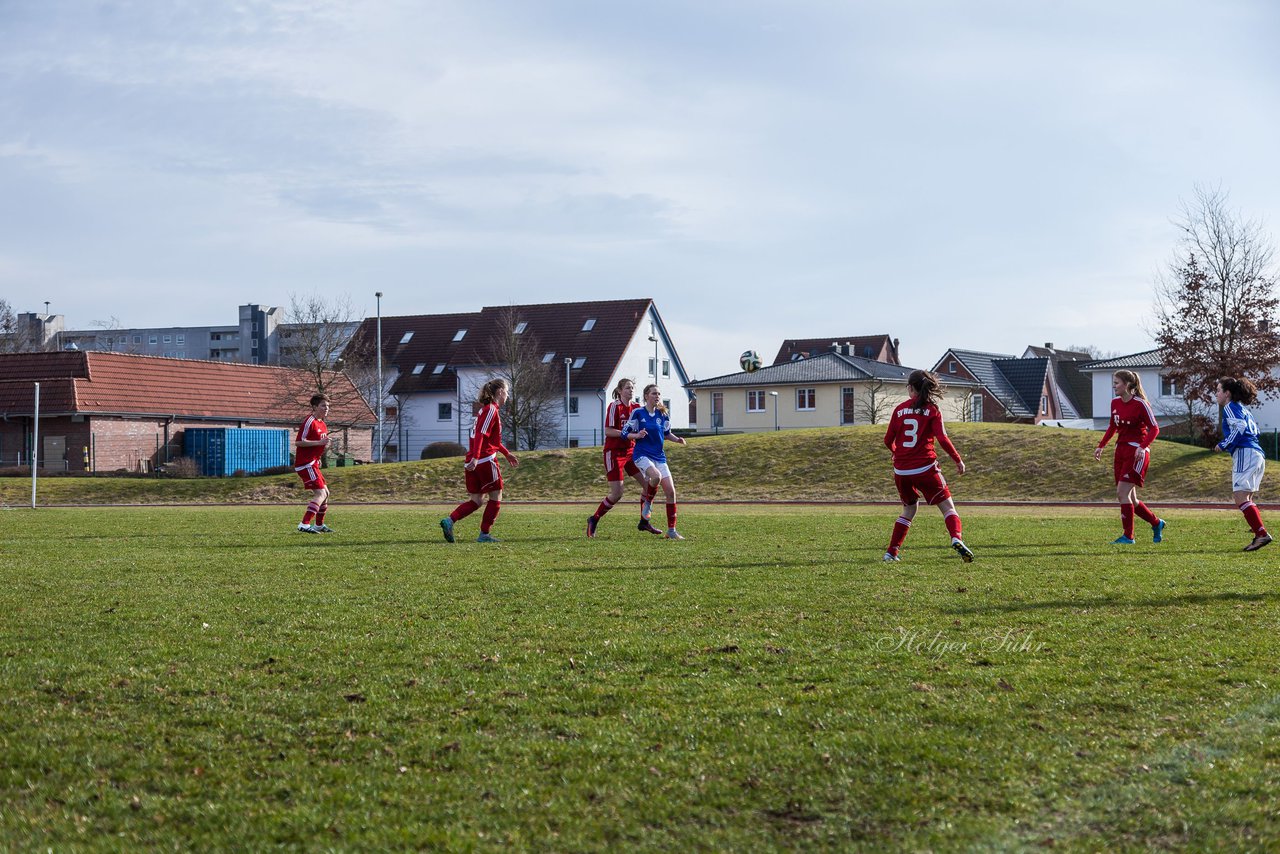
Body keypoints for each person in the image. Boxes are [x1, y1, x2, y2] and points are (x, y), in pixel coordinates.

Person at [881, 370, 973, 562]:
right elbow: (942, 439)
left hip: (901, 470)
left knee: (909, 509)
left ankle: (891, 552)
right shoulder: (932, 410)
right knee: (948, 507)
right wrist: (958, 459)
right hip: (925, 468)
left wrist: (896, 452)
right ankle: (956, 538)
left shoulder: (899, 409)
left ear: (911, 388)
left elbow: (888, 440)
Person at [440, 378, 520, 543]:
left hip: (474, 460)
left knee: (476, 500)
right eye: (506, 391)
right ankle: (484, 535)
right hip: (484, 460)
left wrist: (506, 454)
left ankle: (450, 520)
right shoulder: (491, 410)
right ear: (499, 392)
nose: (507, 395)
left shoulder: (484, 411)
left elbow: (493, 441)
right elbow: (481, 436)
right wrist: (477, 458)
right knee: (496, 495)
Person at [1094, 369, 1165, 544]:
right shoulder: (1115, 403)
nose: (1114, 386)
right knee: (1130, 499)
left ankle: (1128, 536)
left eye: (1117, 383)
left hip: (1136, 454)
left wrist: (1142, 447)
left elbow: (1155, 428)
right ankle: (1157, 523)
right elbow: (1112, 427)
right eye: (1113, 383)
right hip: (1121, 451)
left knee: (1121, 493)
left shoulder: (1140, 404)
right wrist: (1101, 446)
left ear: (1127, 385)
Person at [587, 378, 658, 537]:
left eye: (632, 388)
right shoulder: (614, 406)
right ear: (620, 391)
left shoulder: (636, 408)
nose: (631, 390)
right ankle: (594, 519)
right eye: (627, 388)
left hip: (632, 452)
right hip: (614, 452)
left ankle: (644, 521)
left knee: (648, 486)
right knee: (617, 493)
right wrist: (630, 435)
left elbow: (645, 426)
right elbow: (608, 431)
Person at [621, 384, 688, 539]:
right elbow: (625, 433)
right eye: (653, 393)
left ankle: (671, 531)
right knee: (655, 476)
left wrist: (677, 439)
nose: (657, 396)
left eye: (658, 393)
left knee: (671, 492)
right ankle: (648, 504)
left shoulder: (662, 414)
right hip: (642, 455)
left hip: (659, 456)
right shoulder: (638, 413)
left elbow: (666, 433)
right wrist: (637, 436)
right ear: (646, 396)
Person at [1213, 376, 1271, 551]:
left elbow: (1239, 428)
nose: (1216, 394)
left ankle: (1261, 535)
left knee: (1240, 497)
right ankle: (1258, 533)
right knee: (1247, 498)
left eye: (1218, 390)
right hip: (1256, 452)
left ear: (1227, 393)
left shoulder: (1230, 407)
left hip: (1245, 453)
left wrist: (1223, 444)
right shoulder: (1243, 409)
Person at [294, 393, 334, 533]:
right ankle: (304, 524)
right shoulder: (309, 421)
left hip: (313, 463)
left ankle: (318, 525)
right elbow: (299, 442)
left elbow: (318, 444)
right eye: (323, 406)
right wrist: (319, 442)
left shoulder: (322, 423)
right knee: (320, 494)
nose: (326, 409)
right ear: (315, 407)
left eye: (328, 406)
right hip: (305, 464)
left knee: (326, 493)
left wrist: (319, 457)